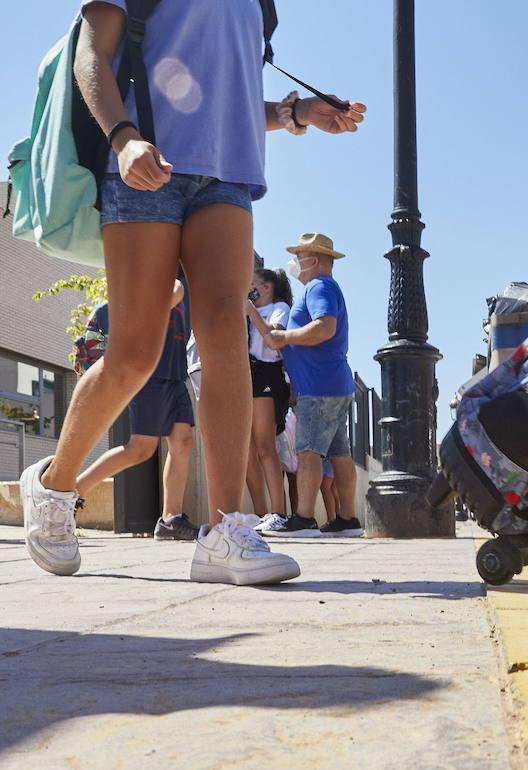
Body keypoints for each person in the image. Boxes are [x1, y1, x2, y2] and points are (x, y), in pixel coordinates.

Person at [20, 1, 365, 584]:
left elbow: (219, 107)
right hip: (143, 168)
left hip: (227, 176)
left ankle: (226, 532)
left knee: (225, 331)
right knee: (134, 351)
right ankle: (54, 486)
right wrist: (124, 138)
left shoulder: (258, 7)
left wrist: (297, 112)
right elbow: (91, 55)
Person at [75, 282, 199, 541]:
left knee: (183, 442)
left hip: (175, 375)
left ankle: (171, 520)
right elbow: (174, 291)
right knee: (140, 448)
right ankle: (73, 492)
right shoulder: (168, 279)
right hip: (150, 375)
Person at [263, 233, 363, 538]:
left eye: (299, 256)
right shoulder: (326, 287)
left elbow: (324, 327)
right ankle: (347, 519)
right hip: (332, 384)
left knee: (308, 452)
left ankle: (304, 518)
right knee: (339, 455)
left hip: (319, 388)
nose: (295, 262)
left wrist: (284, 338)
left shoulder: (319, 286)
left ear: (314, 261)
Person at [243, 267, 293, 528]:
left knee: (264, 445)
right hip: (245, 373)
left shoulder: (279, 307)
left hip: (266, 373)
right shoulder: (247, 308)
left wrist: (251, 312)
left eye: (253, 283)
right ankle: (261, 513)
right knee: (248, 450)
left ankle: (278, 512)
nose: (248, 288)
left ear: (265, 287)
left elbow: (274, 339)